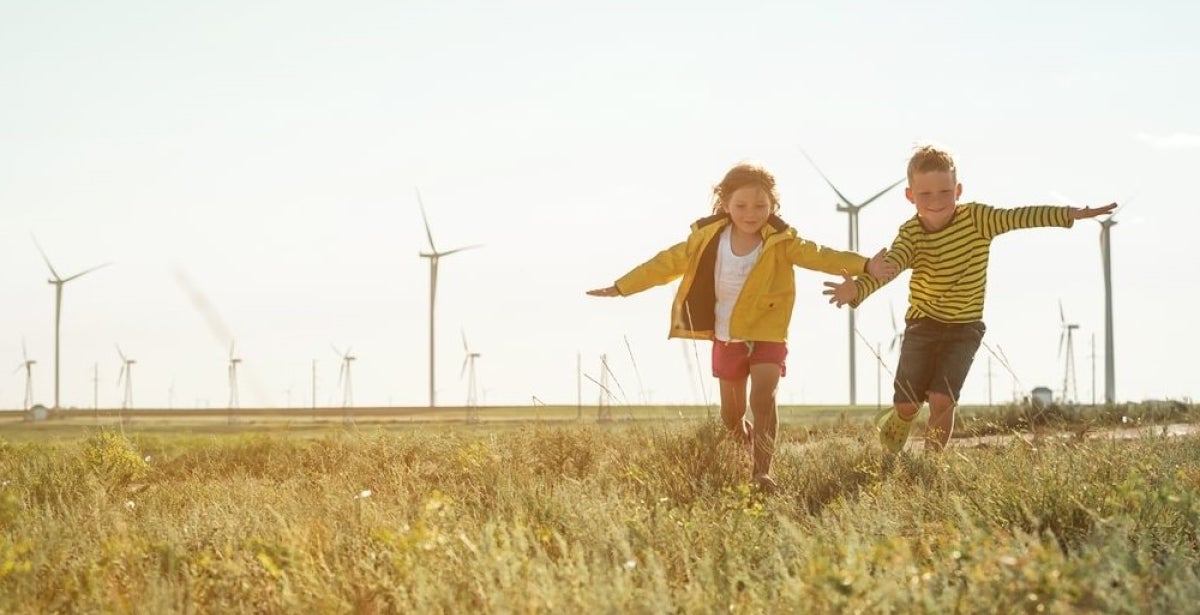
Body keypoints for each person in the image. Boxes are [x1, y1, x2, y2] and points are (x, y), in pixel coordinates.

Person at [588, 162, 898, 490]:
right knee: (731, 417)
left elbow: (820, 255)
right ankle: (746, 446)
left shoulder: (781, 242)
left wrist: (865, 264)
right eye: (741, 206)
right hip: (727, 337)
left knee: (763, 399)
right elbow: (665, 263)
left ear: (773, 206)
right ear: (725, 205)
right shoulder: (706, 239)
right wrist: (622, 286)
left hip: (768, 333)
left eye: (760, 206)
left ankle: (762, 471)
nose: (751, 214)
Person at [822, 144, 1116, 455]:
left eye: (944, 192)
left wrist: (1070, 214)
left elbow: (1021, 217)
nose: (936, 201)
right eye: (925, 194)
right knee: (907, 403)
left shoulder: (978, 219)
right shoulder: (911, 234)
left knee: (942, 400)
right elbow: (891, 266)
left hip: (965, 328)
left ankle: (931, 462)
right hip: (923, 324)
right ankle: (901, 418)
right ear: (910, 196)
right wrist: (858, 290)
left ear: (958, 190)